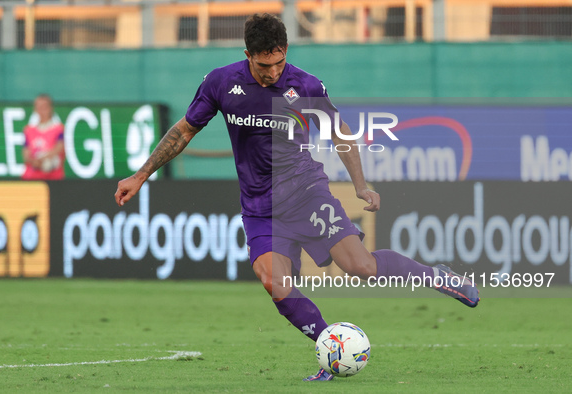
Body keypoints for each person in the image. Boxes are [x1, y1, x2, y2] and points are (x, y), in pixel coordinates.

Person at [114, 13, 479, 381]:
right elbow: (183, 131)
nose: (273, 72)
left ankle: (436, 275)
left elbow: (340, 132)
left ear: (285, 51)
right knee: (274, 283)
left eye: (278, 63)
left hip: (306, 194)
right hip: (260, 210)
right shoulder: (222, 83)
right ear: (247, 55)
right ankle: (329, 348)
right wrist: (142, 174)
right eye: (263, 65)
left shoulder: (305, 86)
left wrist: (360, 185)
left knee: (361, 267)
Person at [22, 94, 65, 180]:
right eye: (39, 107)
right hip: (32, 177)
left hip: (53, 177)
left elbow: (59, 148)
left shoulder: (58, 129)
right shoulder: (29, 130)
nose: (42, 110)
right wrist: (34, 161)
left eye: (44, 107)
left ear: (50, 108)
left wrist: (42, 159)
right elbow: (26, 153)